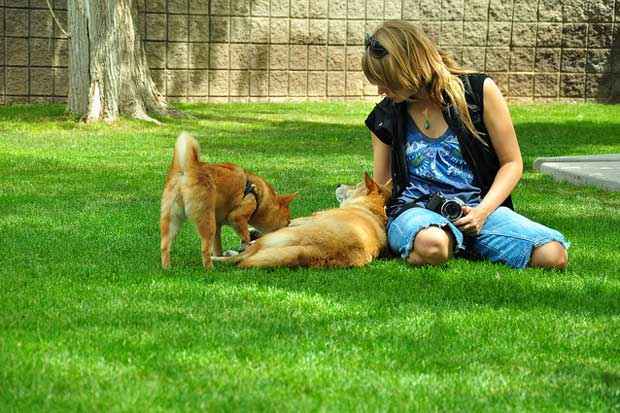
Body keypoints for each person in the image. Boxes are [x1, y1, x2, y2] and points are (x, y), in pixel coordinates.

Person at [362, 20, 569, 270]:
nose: (380, 90)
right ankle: (443, 244)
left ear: (408, 69)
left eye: (386, 81)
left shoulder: (478, 91)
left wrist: (482, 212)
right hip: (416, 213)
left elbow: (512, 163)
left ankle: (462, 242)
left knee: (553, 255)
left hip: (478, 208)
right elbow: (382, 187)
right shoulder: (384, 117)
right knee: (433, 244)